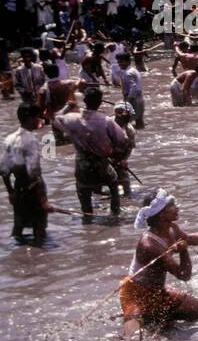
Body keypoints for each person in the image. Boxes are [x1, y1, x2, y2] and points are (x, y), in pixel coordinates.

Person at [120, 189, 198, 329]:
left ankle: (161, 319)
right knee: (133, 337)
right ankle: (155, 320)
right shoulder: (150, 245)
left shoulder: (171, 228)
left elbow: (189, 239)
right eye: (172, 206)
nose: (177, 208)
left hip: (158, 291)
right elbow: (184, 275)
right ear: (160, 214)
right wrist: (184, 252)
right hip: (137, 294)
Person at [55, 84, 128, 220]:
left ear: (84, 101)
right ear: (100, 102)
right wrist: (117, 157)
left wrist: (68, 106)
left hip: (81, 162)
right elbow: (122, 140)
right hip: (101, 163)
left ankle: (87, 219)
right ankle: (115, 214)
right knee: (113, 182)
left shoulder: (72, 118)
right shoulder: (106, 121)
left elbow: (56, 119)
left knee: (83, 189)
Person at [1, 104, 51, 244]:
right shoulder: (31, 140)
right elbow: (33, 172)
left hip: (18, 188)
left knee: (18, 227)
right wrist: (43, 200)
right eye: (37, 117)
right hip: (32, 190)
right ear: (30, 119)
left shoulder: (9, 139)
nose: (39, 120)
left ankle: (17, 255)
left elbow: (4, 170)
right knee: (39, 230)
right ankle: (39, 259)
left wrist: (11, 192)